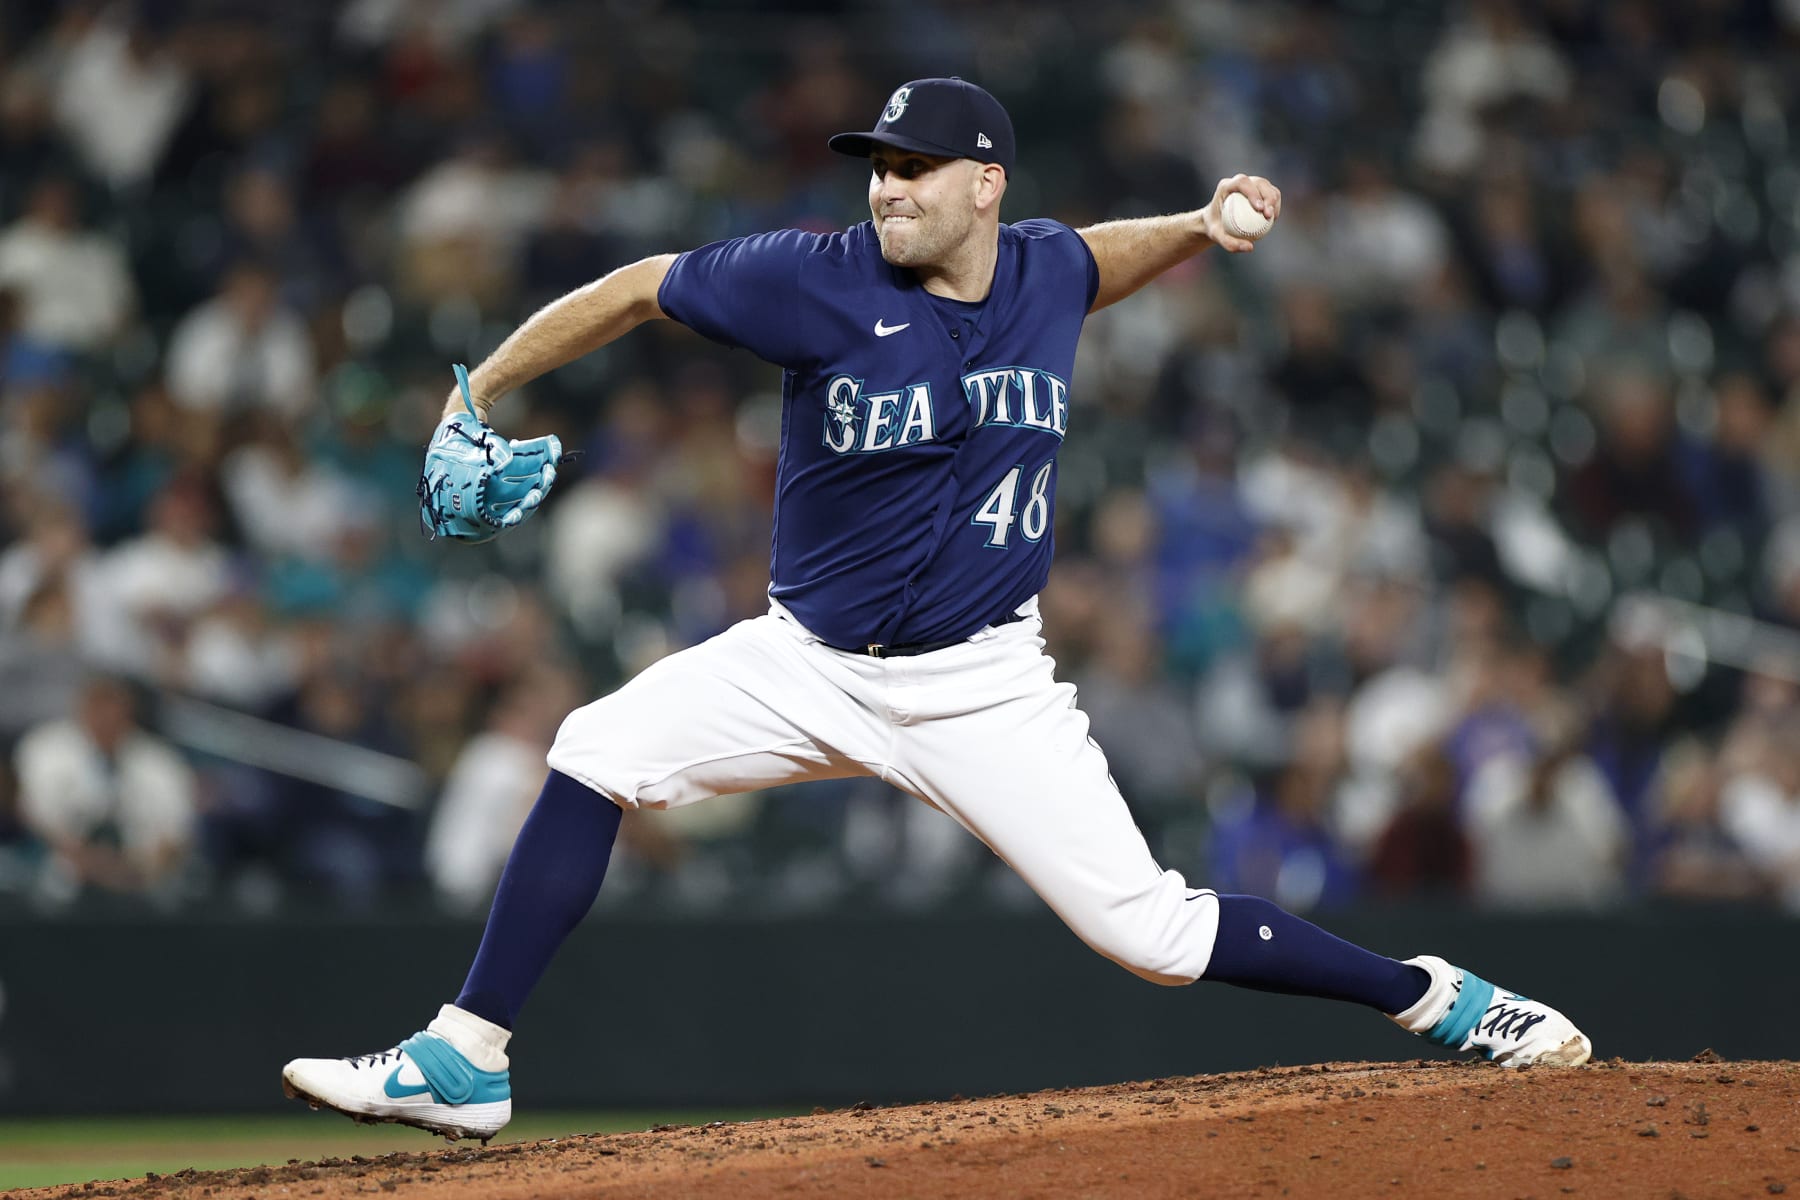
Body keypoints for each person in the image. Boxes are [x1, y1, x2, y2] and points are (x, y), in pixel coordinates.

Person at [282, 78, 1591, 1144]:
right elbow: (636, 286)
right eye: (878, 164)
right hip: (804, 661)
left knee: (1155, 935)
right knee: (591, 749)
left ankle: (1441, 999)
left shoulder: (1039, 273)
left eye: (915, 166)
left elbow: (1094, 263)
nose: (888, 186)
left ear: (986, 183)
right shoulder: (813, 278)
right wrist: (482, 394)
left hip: (983, 684)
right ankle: (465, 1058)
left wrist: (1197, 225)